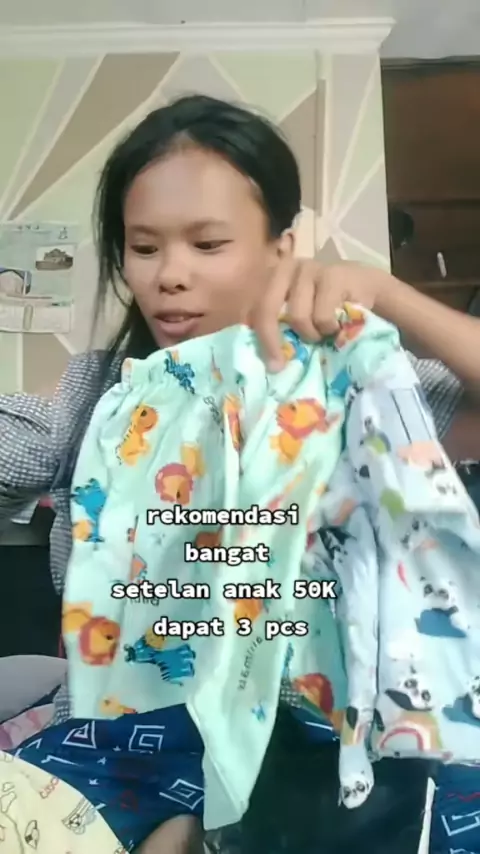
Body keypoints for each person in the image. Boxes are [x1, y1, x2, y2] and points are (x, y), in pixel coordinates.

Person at [0, 93, 479, 854]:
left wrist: (388, 296)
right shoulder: (103, 395)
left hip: (320, 744)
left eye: (208, 244)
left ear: (280, 250)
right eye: (144, 248)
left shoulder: (349, 382)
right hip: (127, 736)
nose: (170, 276)